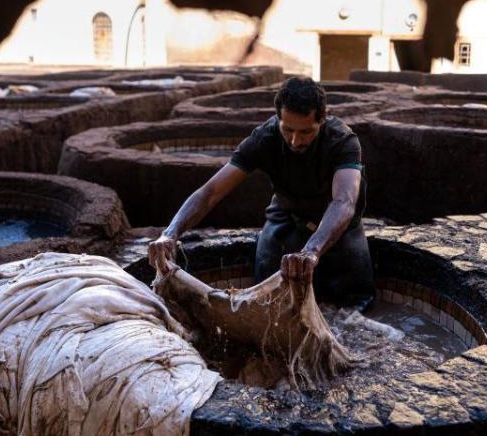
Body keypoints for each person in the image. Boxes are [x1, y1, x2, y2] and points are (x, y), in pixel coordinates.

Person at [148, 76, 375, 308]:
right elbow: (210, 192)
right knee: (264, 294)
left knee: (358, 299)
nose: (295, 141)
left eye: (306, 132)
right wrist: (170, 233)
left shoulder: (343, 141)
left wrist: (312, 250)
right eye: (288, 130)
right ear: (278, 119)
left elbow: (344, 202)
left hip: (337, 221)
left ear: (322, 119)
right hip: (287, 213)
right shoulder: (264, 138)